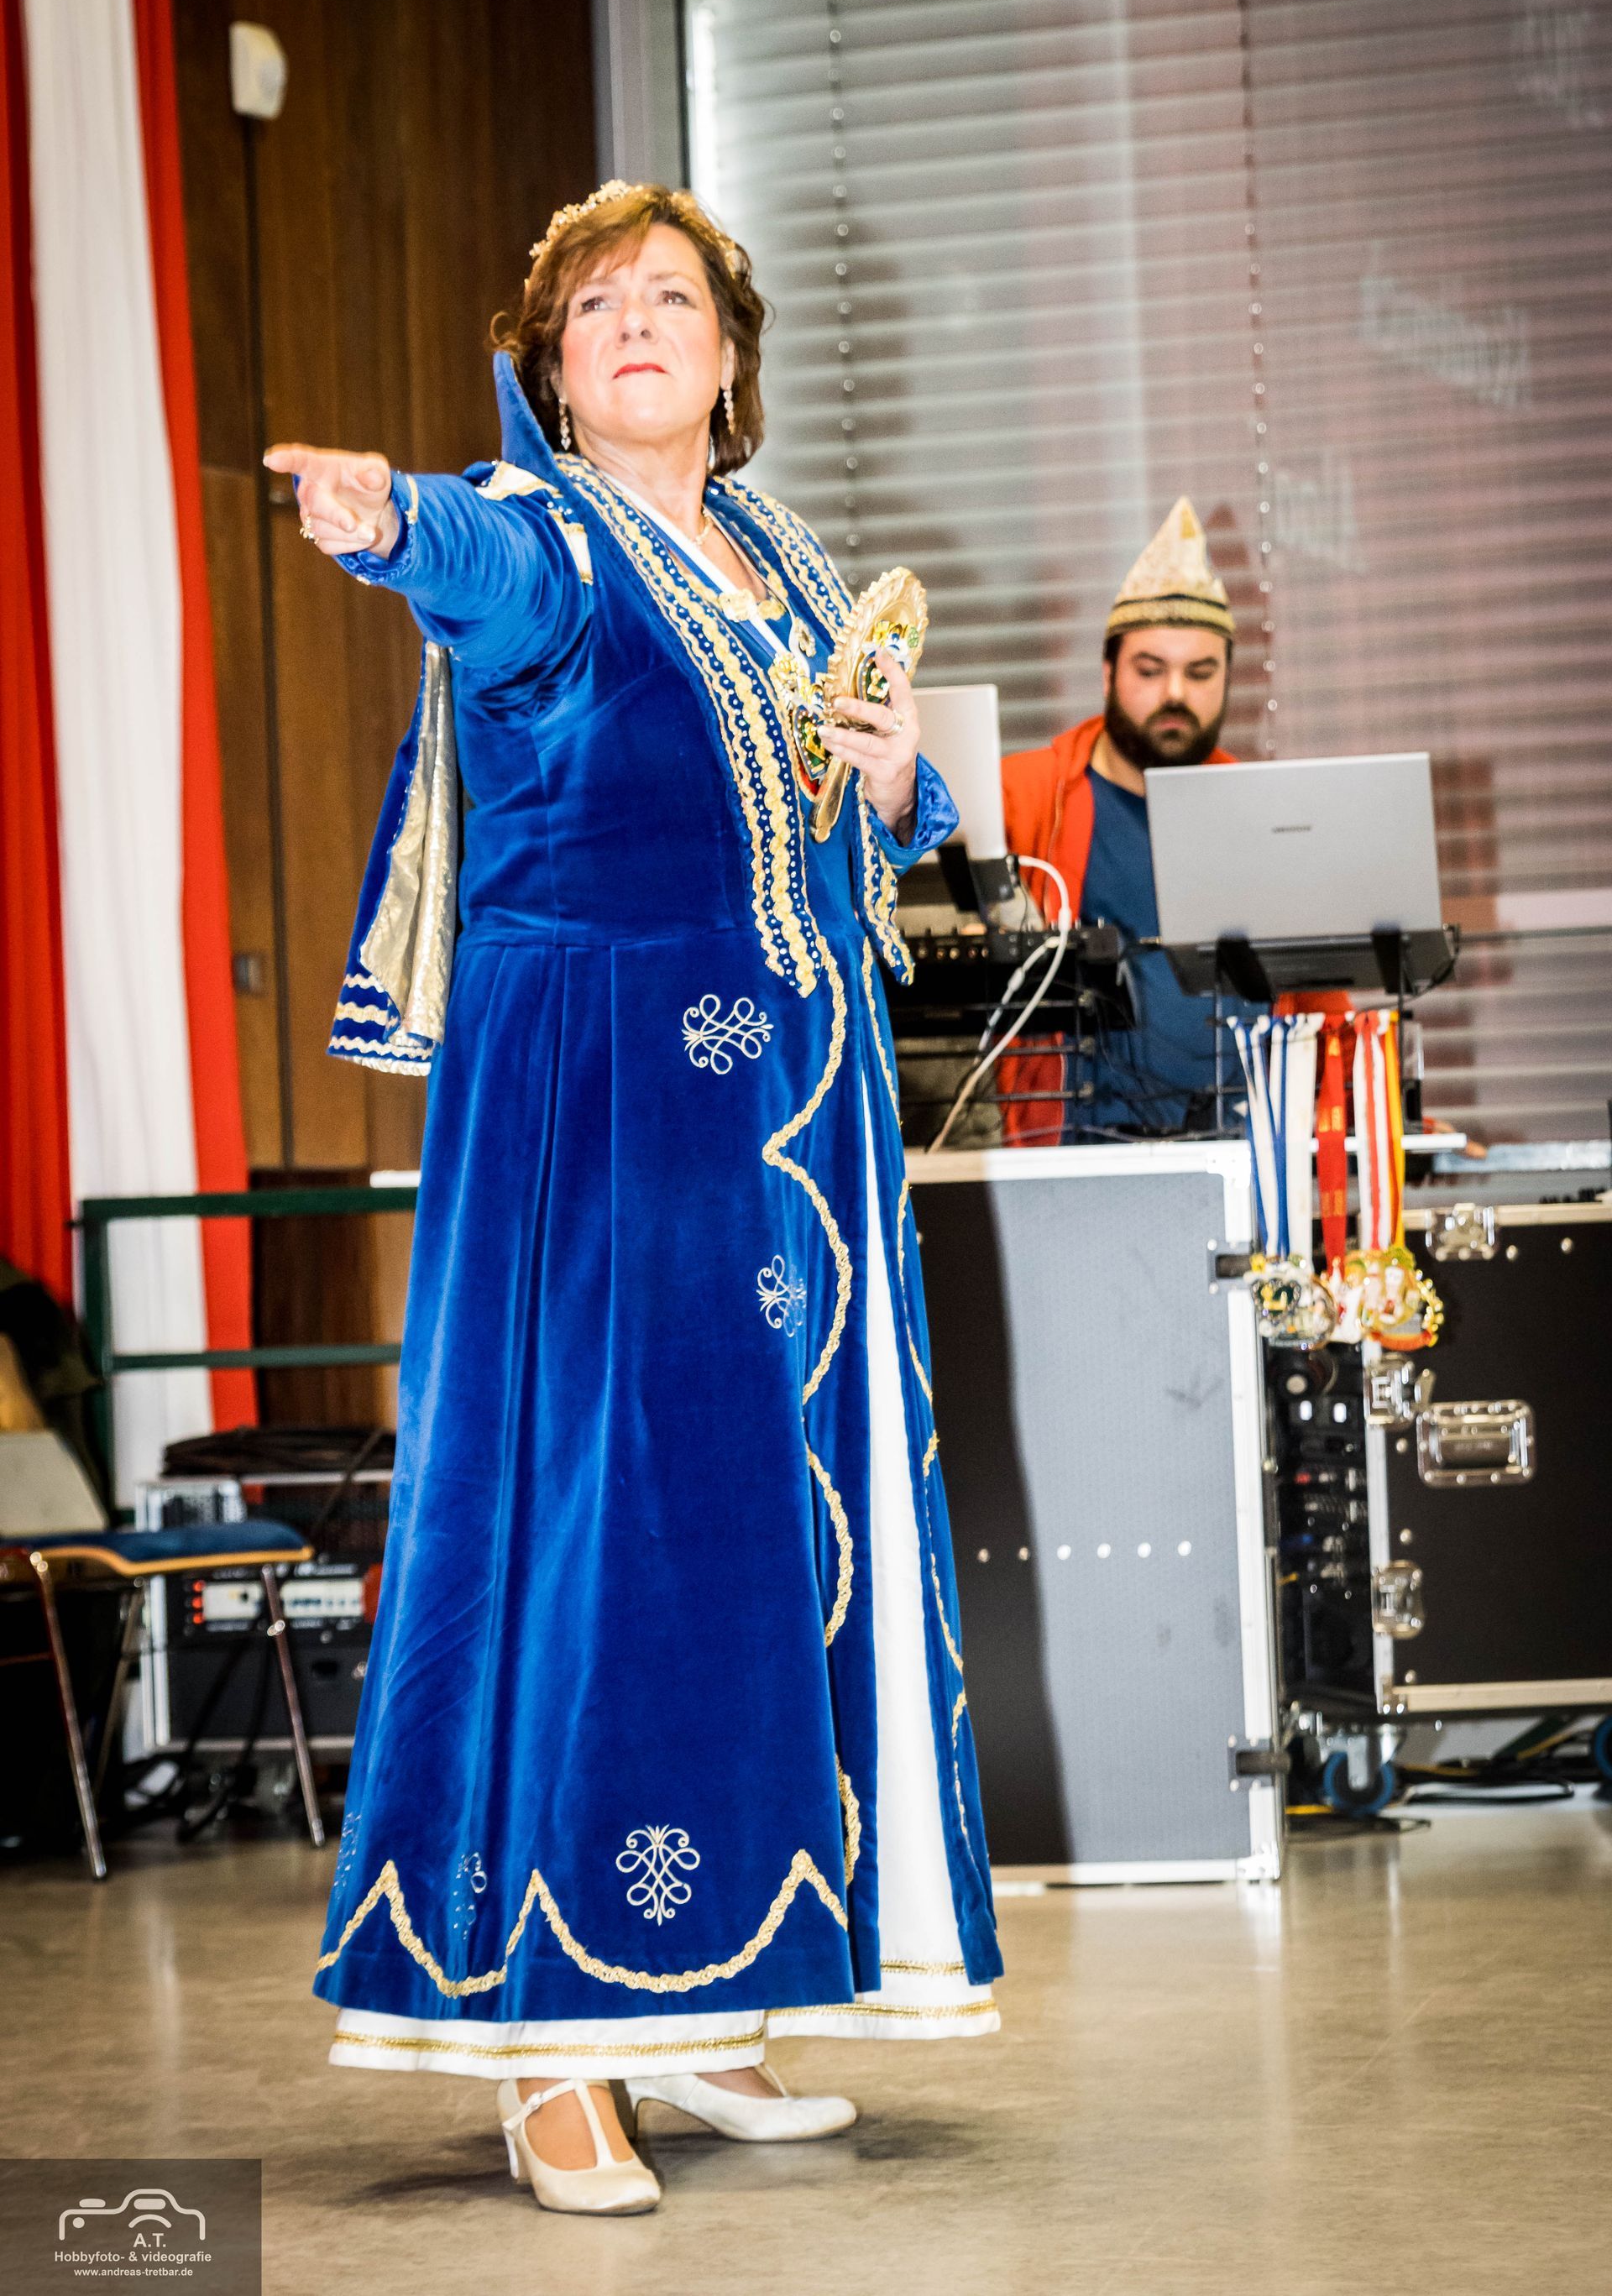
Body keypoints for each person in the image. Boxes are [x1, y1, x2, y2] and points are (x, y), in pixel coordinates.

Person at [264, 180, 999, 2221]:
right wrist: (388, 521)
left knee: (755, 1543)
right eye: (596, 305)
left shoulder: (781, 556)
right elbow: (483, 579)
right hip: (604, 1108)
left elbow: (865, 809)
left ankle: (700, 1990)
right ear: (553, 366)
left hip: (793, 1115)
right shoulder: (557, 535)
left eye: (672, 294)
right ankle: (551, 2038)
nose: (637, 321)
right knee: (609, 1536)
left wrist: (895, 779)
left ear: (732, 355)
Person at [1001, 498, 1238, 1138]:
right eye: (1150, 670)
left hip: (1240, 1150)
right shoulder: (1025, 795)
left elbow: (1315, 997)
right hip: (1077, 1153)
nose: (1175, 694)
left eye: (1200, 673)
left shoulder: (1257, 810)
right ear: (1108, 674)